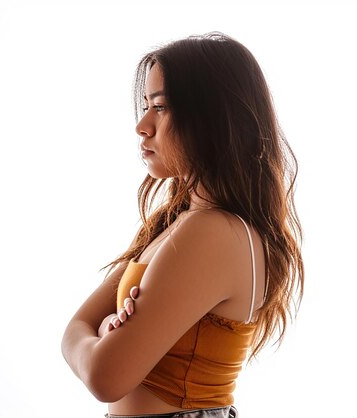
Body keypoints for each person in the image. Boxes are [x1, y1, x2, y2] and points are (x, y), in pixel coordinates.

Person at [60, 32, 304, 418]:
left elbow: (104, 376)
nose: (142, 125)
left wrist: (101, 335)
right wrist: (100, 332)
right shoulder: (178, 224)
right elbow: (75, 328)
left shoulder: (212, 232)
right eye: (145, 106)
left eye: (162, 107)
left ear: (213, 118)